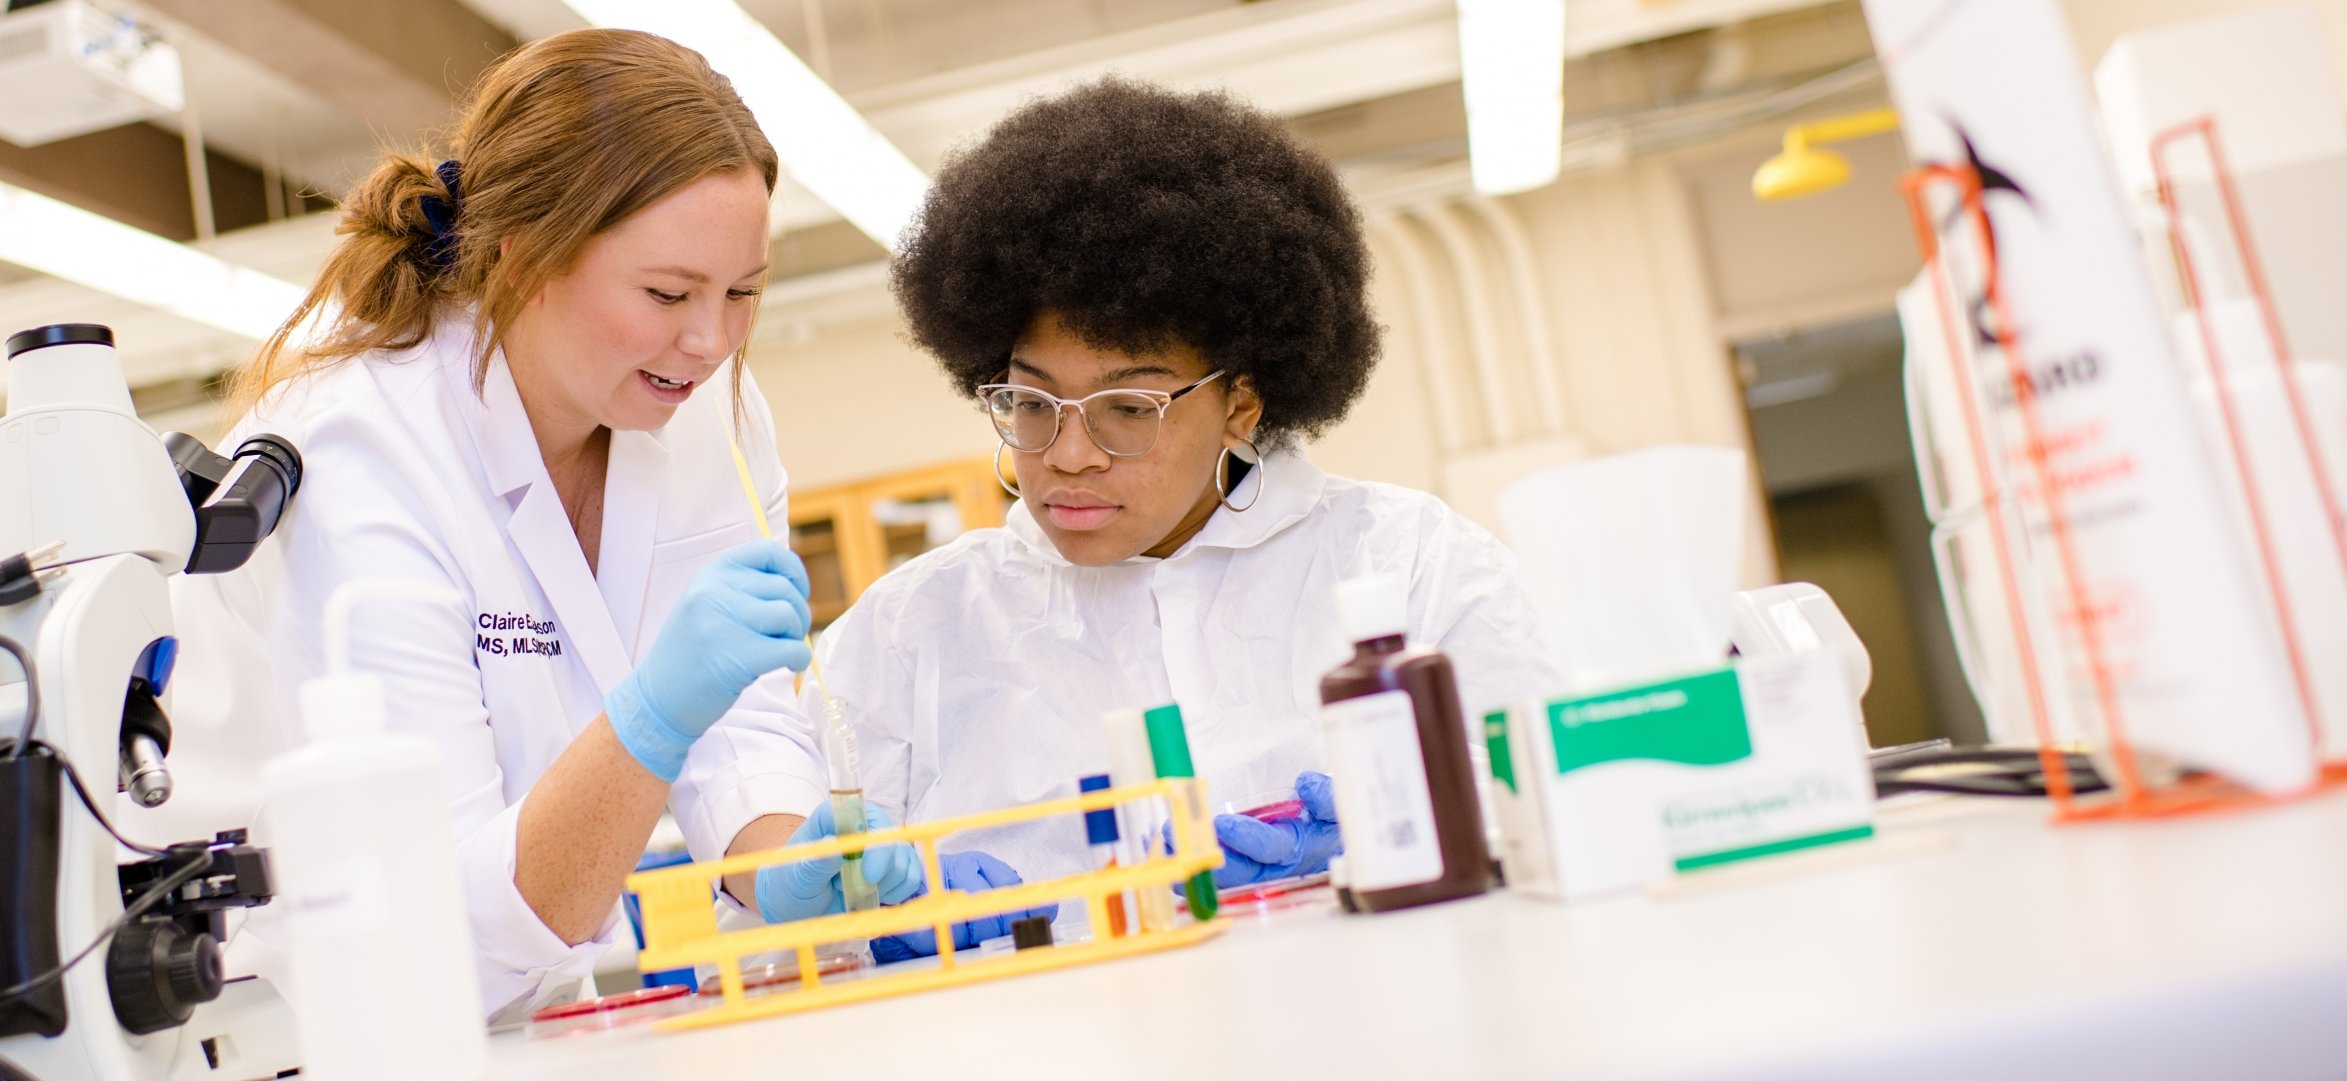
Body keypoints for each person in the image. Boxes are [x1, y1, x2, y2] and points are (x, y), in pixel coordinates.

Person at [170, 30, 1018, 1019]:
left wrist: (782, 855)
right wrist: (652, 716)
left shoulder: (708, 417)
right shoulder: (361, 455)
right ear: (523, 257)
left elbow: (738, 718)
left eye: (742, 292)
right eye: (667, 293)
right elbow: (437, 916)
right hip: (304, 1016)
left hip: (527, 1001)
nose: (709, 342)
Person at [799, 78, 1555, 934]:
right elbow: (772, 913)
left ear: (1242, 400)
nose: (1068, 453)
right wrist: (873, 927)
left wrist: (1408, 840)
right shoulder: (911, 631)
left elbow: (1560, 812)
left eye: (1130, 408)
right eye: (1033, 403)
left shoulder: (1414, 562)